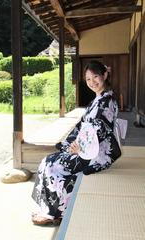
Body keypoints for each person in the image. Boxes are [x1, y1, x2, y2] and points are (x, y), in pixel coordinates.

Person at [31, 60, 121, 225]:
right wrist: (69, 145)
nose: (92, 82)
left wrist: (80, 148)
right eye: (88, 79)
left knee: (52, 165)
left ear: (105, 75)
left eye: (96, 77)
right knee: (50, 159)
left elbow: (100, 131)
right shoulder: (97, 100)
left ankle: (55, 212)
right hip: (86, 148)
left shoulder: (107, 101)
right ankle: (52, 209)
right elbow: (81, 126)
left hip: (98, 154)